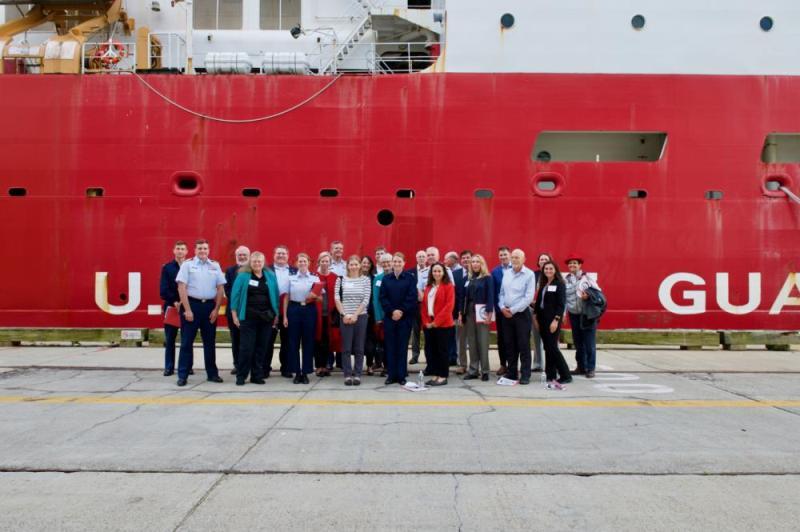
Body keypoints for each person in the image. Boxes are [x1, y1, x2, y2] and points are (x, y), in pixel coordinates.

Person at [175, 239, 226, 387]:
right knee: (186, 343)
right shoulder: (187, 265)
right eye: (200, 249)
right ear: (195, 250)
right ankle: (183, 375)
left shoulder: (214, 265)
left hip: (209, 307)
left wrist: (216, 309)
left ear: (208, 250)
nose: (202, 251)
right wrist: (188, 309)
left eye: (205, 248)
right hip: (192, 306)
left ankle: (212, 374)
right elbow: (181, 287)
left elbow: (220, 288)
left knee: (210, 343)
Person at [229, 252, 279, 385]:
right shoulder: (243, 276)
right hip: (248, 317)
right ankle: (241, 375)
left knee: (261, 347)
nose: (257, 264)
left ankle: (256, 375)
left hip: (266, 318)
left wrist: (276, 314)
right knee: (246, 348)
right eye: (254, 261)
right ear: (250, 263)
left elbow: (275, 295)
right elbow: (235, 295)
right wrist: (234, 314)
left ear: (264, 263)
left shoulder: (270, 276)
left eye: (259, 261)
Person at [497, 249, 536, 384]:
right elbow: (501, 293)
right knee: (509, 344)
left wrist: (512, 310)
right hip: (506, 314)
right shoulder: (507, 273)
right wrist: (502, 307)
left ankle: (525, 374)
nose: (514, 259)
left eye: (517, 257)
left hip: (521, 314)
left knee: (523, 345)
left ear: (524, 259)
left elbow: (528, 297)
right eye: (513, 257)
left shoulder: (529, 274)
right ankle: (512, 373)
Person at [380, 253, 418, 385]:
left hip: (405, 318)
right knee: (390, 346)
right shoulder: (386, 279)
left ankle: (401, 375)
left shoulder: (410, 278)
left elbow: (412, 297)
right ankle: (391, 375)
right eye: (394, 261)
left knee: (402, 347)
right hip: (390, 318)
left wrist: (401, 311)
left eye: (399, 261)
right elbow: (383, 298)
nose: (396, 264)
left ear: (404, 263)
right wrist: (392, 311)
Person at [283, 254, 320, 384]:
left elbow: (321, 297)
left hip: (309, 310)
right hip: (294, 309)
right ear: (296, 263)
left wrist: (314, 296)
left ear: (309, 263)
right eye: (300, 261)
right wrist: (285, 316)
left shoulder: (315, 278)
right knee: (293, 342)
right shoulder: (290, 278)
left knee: (308, 342)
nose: (303, 263)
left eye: (305, 261)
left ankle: (305, 372)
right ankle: (296, 372)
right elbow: (286, 297)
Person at [416, 247, 454, 376]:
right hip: (429, 323)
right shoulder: (428, 287)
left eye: (439, 271)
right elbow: (424, 306)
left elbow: (449, 306)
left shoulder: (448, 286)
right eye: (434, 271)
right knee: (430, 348)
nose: (436, 273)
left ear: (443, 272)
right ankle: (432, 368)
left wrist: (436, 322)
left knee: (442, 349)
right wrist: (426, 322)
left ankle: (442, 373)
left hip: (442, 324)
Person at [534, 260, 572, 389]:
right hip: (542, 320)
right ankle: (550, 374)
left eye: (551, 268)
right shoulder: (544, 284)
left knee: (553, 348)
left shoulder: (559, 284)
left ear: (555, 270)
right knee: (547, 348)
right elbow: (539, 303)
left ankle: (566, 374)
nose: (548, 271)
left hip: (552, 321)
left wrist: (556, 320)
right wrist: (536, 318)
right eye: (546, 269)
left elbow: (561, 305)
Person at [335, 256, 372, 386]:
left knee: (359, 347)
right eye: (351, 264)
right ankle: (347, 374)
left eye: (356, 264)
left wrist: (356, 315)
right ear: (348, 266)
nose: (354, 266)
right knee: (346, 347)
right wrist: (344, 314)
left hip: (361, 316)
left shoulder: (366, 280)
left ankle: (357, 374)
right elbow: (337, 298)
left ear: (360, 266)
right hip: (344, 317)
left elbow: (366, 299)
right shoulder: (341, 280)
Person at [565, 254, 600, 379]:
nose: (572, 265)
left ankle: (590, 368)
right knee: (578, 342)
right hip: (573, 314)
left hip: (587, 315)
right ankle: (581, 366)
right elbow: (564, 298)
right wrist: (564, 313)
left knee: (589, 343)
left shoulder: (587, 278)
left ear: (580, 265)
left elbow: (598, 293)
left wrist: (589, 296)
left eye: (575, 263)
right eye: (570, 263)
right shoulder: (567, 279)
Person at [159, 240, 188, 377]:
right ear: (174, 251)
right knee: (170, 339)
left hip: (187, 307)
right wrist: (175, 301)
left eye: (183, 249)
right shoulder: (167, 268)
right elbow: (163, 290)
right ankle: (169, 367)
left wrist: (184, 302)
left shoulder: (190, 266)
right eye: (178, 248)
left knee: (187, 340)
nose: (180, 251)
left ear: (187, 251)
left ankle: (187, 367)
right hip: (172, 308)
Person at [463, 254, 494, 381]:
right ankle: (473, 370)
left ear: (482, 264)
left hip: (482, 312)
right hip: (469, 311)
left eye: (477, 262)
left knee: (483, 341)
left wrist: (489, 311)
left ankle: (485, 370)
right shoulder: (469, 278)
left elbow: (491, 295)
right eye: (473, 262)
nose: (475, 264)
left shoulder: (487, 278)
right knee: (472, 341)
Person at [268, 245, 297, 378]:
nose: (281, 256)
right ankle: (264, 368)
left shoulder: (294, 271)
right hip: (270, 310)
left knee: (287, 341)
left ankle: (286, 367)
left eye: (283, 253)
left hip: (288, 310)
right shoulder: (266, 269)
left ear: (288, 255)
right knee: (268, 340)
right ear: (274, 255)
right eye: (278, 253)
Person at [224, 245, 250, 376]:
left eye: (245, 254)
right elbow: (227, 290)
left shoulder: (253, 270)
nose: (242, 257)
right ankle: (237, 365)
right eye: (240, 255)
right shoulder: (230, 271)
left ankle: (248, 364)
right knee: (236, 339)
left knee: (249, 339)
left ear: (249, 256)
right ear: (236, 256)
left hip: (250, 311)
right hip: (233, 311)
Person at [315, 252, 341, 377]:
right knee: (317, 341)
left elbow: (338, 296)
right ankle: (318, 366)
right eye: (322, 261)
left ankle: (325, 366)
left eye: (327, 261)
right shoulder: (314, 276)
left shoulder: (335, 277)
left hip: (330, 314)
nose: (325, 263)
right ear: (319, 262)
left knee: (327, 340)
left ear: (330, 263)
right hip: (317, 314)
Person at [491, 246, 513, 376]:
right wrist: (498, 308)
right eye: (501, 255)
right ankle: (503, 364)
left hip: (515, 310)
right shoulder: (495, 272)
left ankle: (513, 365)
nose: (503, 257)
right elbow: (494, 292)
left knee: (513, 339)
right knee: (502, 339)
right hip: (501, 311)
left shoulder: (515, 269)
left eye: (505, 254)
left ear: (509, 255)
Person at [531, 252, 553, 373]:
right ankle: (538, 363)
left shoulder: (552, 275)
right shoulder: (533, 275)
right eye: (541, 259)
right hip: (534, 310)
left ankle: (553, 363)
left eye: (546, 259)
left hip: (549, 312)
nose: (543, 261)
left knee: (551, 339)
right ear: (538, 262)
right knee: (536, 337)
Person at [361, 256, 382, 375]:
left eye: (367, 263)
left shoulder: (374, 279)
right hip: (357, 314)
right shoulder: (355, 278)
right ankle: (357, 365)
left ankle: (369, 365)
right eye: (363, 262)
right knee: (358, 341)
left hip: (371, 315)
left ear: (371, 265)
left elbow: (375, 297)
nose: (365, 265)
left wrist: (369, 312)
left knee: (370, 341)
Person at [372, 253, 393, 375]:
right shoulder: (377, 278)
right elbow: (375, 299)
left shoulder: (397, 276)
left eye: (388, 262)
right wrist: (378, 317)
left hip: (394, 315)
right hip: (382, 316)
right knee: (383, 342)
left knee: (393, 342)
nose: (386, 264)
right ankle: (386, 366)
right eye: (383, 262)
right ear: (380, 263)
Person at [408, 250, 427, 365]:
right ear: (416, 258)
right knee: (415, 332)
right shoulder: (410, 272)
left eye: (423, 256)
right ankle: (415, 356)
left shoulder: (431, 271)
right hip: (415, 306)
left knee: (428, 332)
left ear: (426, 259)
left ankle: (428, 356)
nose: (421, 258)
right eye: (419, 256)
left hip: (427, 306)